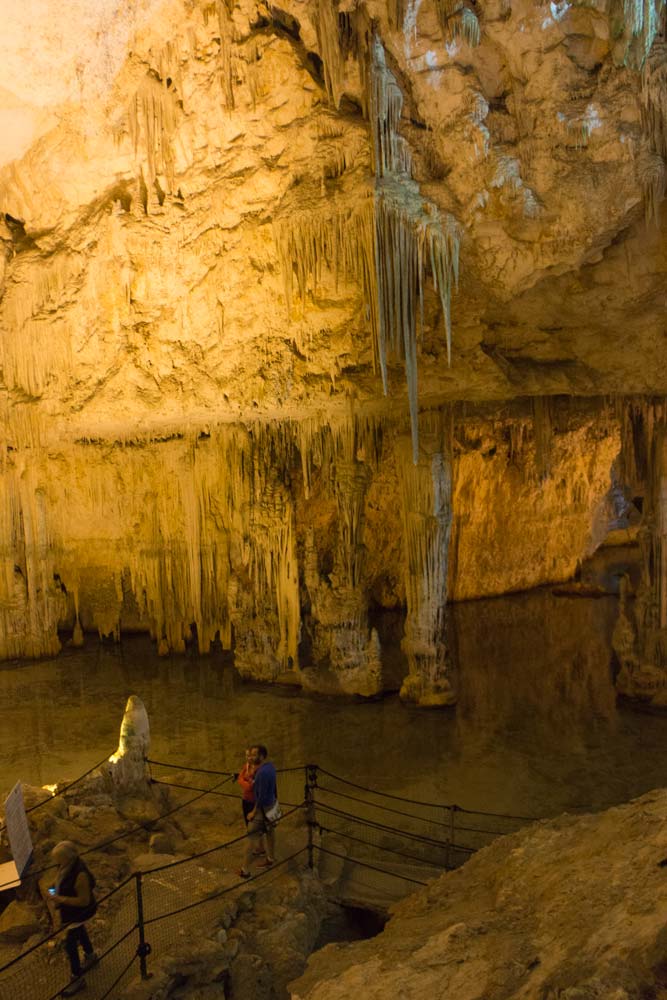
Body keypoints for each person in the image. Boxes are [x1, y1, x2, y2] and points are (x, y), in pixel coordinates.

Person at [50, 840, 98, 997]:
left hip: (79, 913)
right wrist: (53, 890)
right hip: (72, 914)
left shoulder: (80, 875)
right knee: (79, 931)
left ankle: (77, 979)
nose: (56, 863)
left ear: (67, 858)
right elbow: (60, 880)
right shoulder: (67, 866)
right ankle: (90, 955)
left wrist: (60, 899)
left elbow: (84, 901)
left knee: (70, 946)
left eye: (58, 860)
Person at [238, 744, 278, 878]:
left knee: (251, 838)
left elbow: (260, 796)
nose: (251, 757)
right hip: (271, 806)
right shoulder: (271, 767)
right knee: (270, 832)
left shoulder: (261, 773)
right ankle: (271, 859)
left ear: (261, 756)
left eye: (254, 755)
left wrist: (253, 812)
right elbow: (273, 789)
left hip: (262, 809)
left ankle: (245, 870)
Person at [236, 747, 257, 826]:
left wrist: (245, 782)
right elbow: (240, 779)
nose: (249, 758)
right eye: (247, 756)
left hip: (254, 801)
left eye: (251, 756)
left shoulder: (257, 769)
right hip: (245, 799)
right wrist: (247, 784)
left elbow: (251, 786)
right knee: (247, 823)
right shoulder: (246, 766)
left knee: (254, 824)